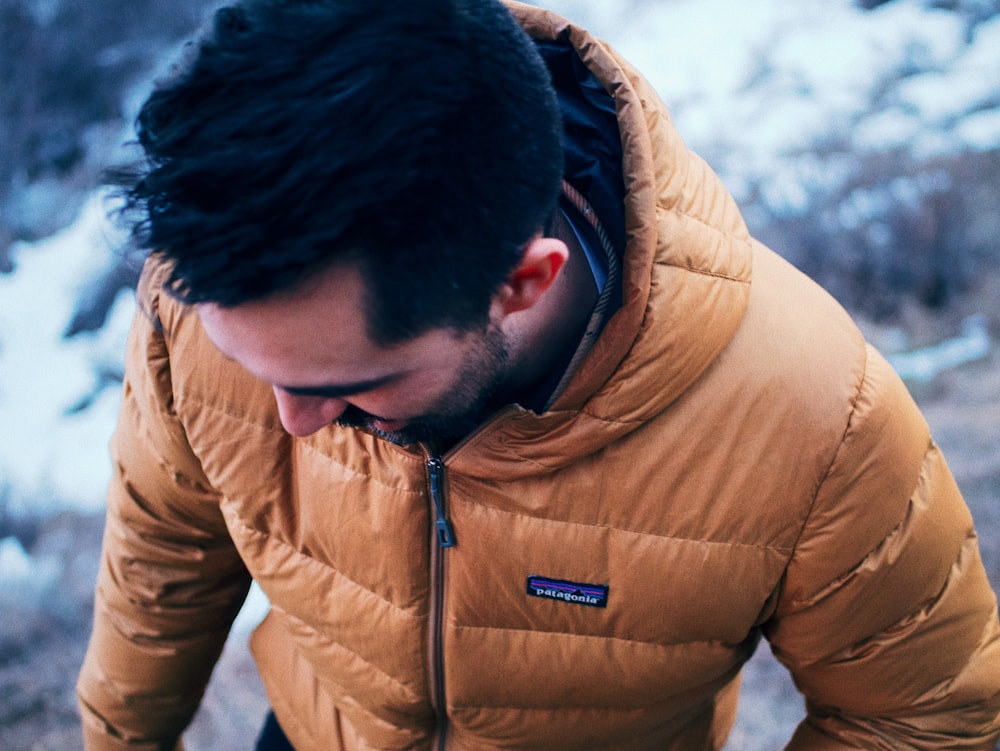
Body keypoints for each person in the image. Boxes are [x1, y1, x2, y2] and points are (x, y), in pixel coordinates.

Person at [76, 0, 1000, 748]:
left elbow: (922, 714)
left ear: (523, 283)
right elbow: (165, 550)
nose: (291, 421)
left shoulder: (818, 416)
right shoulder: (209, 291)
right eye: (247, 362)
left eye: (349, 382)